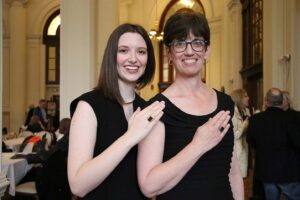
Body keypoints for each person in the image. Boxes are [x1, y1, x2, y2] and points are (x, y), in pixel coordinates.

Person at [137, 12, 243, 200]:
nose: (189, 51)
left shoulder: (225, 103)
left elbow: (233, 172)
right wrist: (198, 144)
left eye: (197, 43)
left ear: (207, 50)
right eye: (180, 44)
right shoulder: (157, 109)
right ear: (169, 53)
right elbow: (148, 185)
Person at [68, 23, 165, 199]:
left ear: (148, 60)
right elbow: (77, 186)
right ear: (112, 56)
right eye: (124, 50)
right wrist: (130, 137)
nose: (133, 58)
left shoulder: (147, 109)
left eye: (141, 52)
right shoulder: (88, 106)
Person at [247, 88, 300, 200]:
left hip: (267, 171)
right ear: (282, 101)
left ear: (266, 101)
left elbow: (250, 141)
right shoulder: (292, 118)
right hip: (289, 172)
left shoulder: (256, 119)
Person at [230, 89, 250, 178]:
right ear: (239, 98)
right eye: (245, 96)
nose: (248, 98)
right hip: (236, 152)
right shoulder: (233, 113)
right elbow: (234, 135)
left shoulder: (246, 111)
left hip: (245, 148)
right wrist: (244, 125)